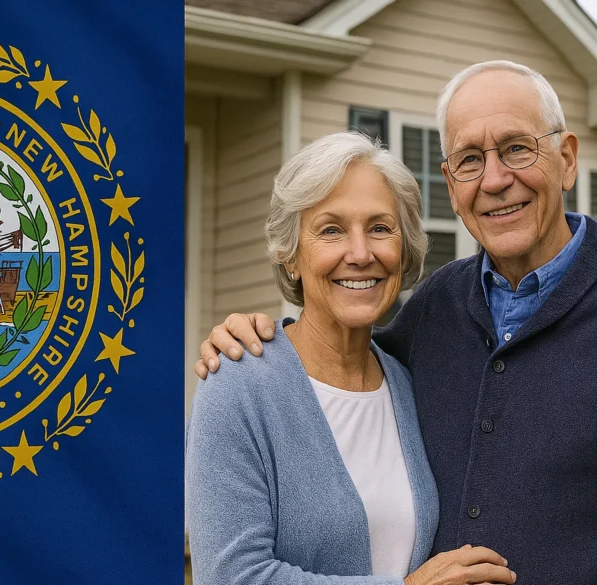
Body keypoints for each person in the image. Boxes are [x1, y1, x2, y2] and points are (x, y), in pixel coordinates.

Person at [195, 60, 597, 584]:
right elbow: (328, 352)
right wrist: (255, 339)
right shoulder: (434, 310)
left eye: (517, 148)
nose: (496, 179)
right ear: (451, 184)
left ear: (566, 159)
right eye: (470, 159)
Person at [185, 132, 517, 585]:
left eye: (380, 228)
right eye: (331, 230)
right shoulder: (238, 385)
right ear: (290, 258)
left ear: (404, 253)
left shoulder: (407, 380)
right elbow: (229, 577)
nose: (360, 254)